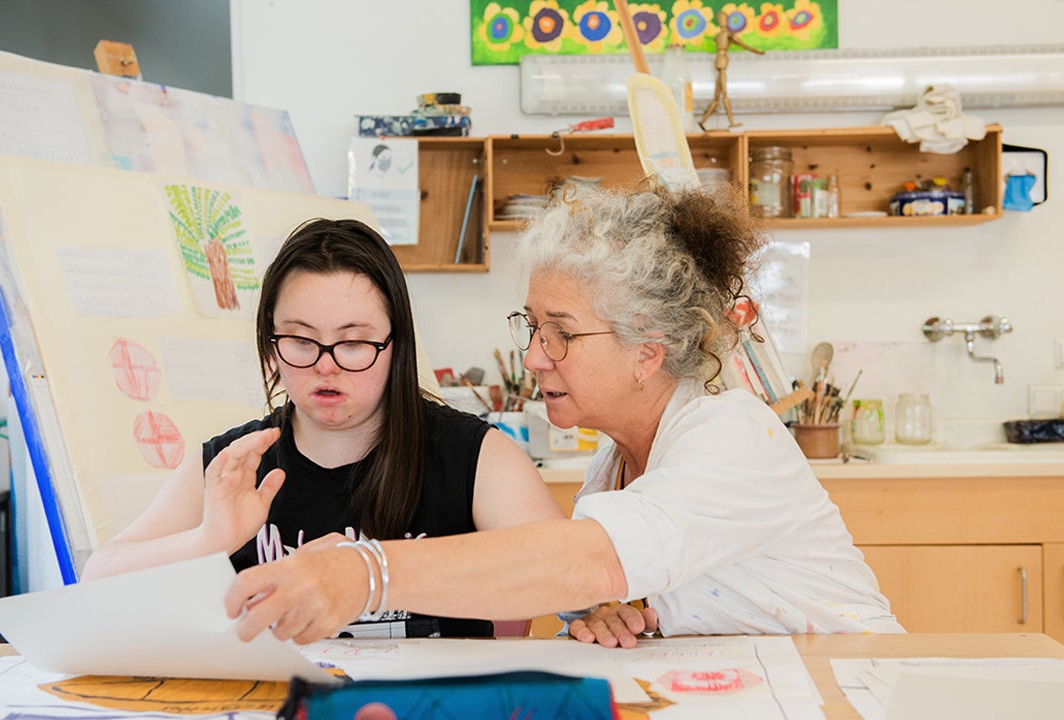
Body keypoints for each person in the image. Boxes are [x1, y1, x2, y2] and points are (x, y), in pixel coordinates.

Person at [222, 185, 903, 648]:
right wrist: (608, 611)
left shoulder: (730, 434)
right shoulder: (614, 465)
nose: (534, 357)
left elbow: (591, 559)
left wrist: (364, 574)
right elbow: (604, 575)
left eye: (561, 334)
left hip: (847, 693)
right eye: (531, 327)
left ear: (647, 351)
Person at [82, 218, 564, 638]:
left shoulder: (473, 455)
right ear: (271, 346)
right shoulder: (233, 465)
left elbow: (559, 566)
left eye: (353, 343)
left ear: (395, 344)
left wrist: (368, 573)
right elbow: (98, 580)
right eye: (300, 340)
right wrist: (208, 539)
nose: (325, 366)